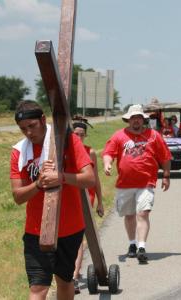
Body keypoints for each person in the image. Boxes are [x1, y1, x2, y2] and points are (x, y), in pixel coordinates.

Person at [10, 100, 96, 299]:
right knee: (37, 288)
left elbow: (89, 179)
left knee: (64, 281)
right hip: (36, 230)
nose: (29, 133)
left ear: (43, 120)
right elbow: (18, 196)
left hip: (70, 227)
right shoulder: (19, 152)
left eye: (32, 126)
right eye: (23, 129)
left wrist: (61, 177)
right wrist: (38, 184)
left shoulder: (68, 141)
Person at [102, 104, 171, 264]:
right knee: (129, 215)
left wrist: (166, 176)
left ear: (143, 120)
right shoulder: (119, 136)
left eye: (139, 118)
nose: (136, 121)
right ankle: (132, 243)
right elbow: (108, 152)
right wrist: (107, 163)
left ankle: (141, 247)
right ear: (128, 120)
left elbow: (165, 157)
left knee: (143, 213)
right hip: (125, 184)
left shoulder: (153, 136)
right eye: (133, 118)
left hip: (146, 182)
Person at [71, 116, 104, 294]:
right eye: (75, 134)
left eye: (82, 135)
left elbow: (95, 178)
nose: (79, 138)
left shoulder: (89, 152)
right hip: (68, 198)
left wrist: (100, 201)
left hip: (85, 199)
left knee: (78, 240)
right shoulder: (65, 151)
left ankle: (74, 277)